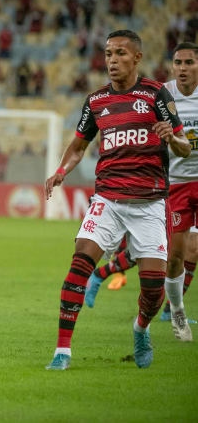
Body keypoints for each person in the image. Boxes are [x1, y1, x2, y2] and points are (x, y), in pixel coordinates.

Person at [44, 30, 190, 370]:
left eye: (120, 53)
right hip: (108, 199)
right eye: (108, 53)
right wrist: (61, 170)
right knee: (79, 264)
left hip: (150, 203)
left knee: (153, 289)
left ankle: (140, 328)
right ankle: (62, 351)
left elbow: (184, 146)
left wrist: (172, 139)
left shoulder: (155, 94)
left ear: (137, 58)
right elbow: (79, 146)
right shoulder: (96, 101)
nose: (112, 60)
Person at [85, 42, 198, 337]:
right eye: (178, 63)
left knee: (191, 252)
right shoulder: (162, 94)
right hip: (172, 184)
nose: (182, 68)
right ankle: (175, 311)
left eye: (189, 63)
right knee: (172, 256)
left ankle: (173, 313)